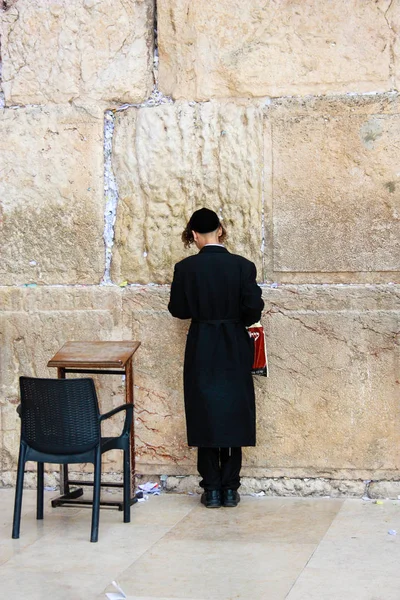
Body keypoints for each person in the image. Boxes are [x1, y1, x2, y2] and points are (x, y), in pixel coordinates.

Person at [168, 208, 264, 508]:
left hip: (202, 344)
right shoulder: (243, 267)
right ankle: (230, 488)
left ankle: (210, 489)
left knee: (205, 411)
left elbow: (178, 310)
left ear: (194, 235)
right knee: (234, 410)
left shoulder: (185, 269)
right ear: (220, 231)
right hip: (234, 343)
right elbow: (253, 309)